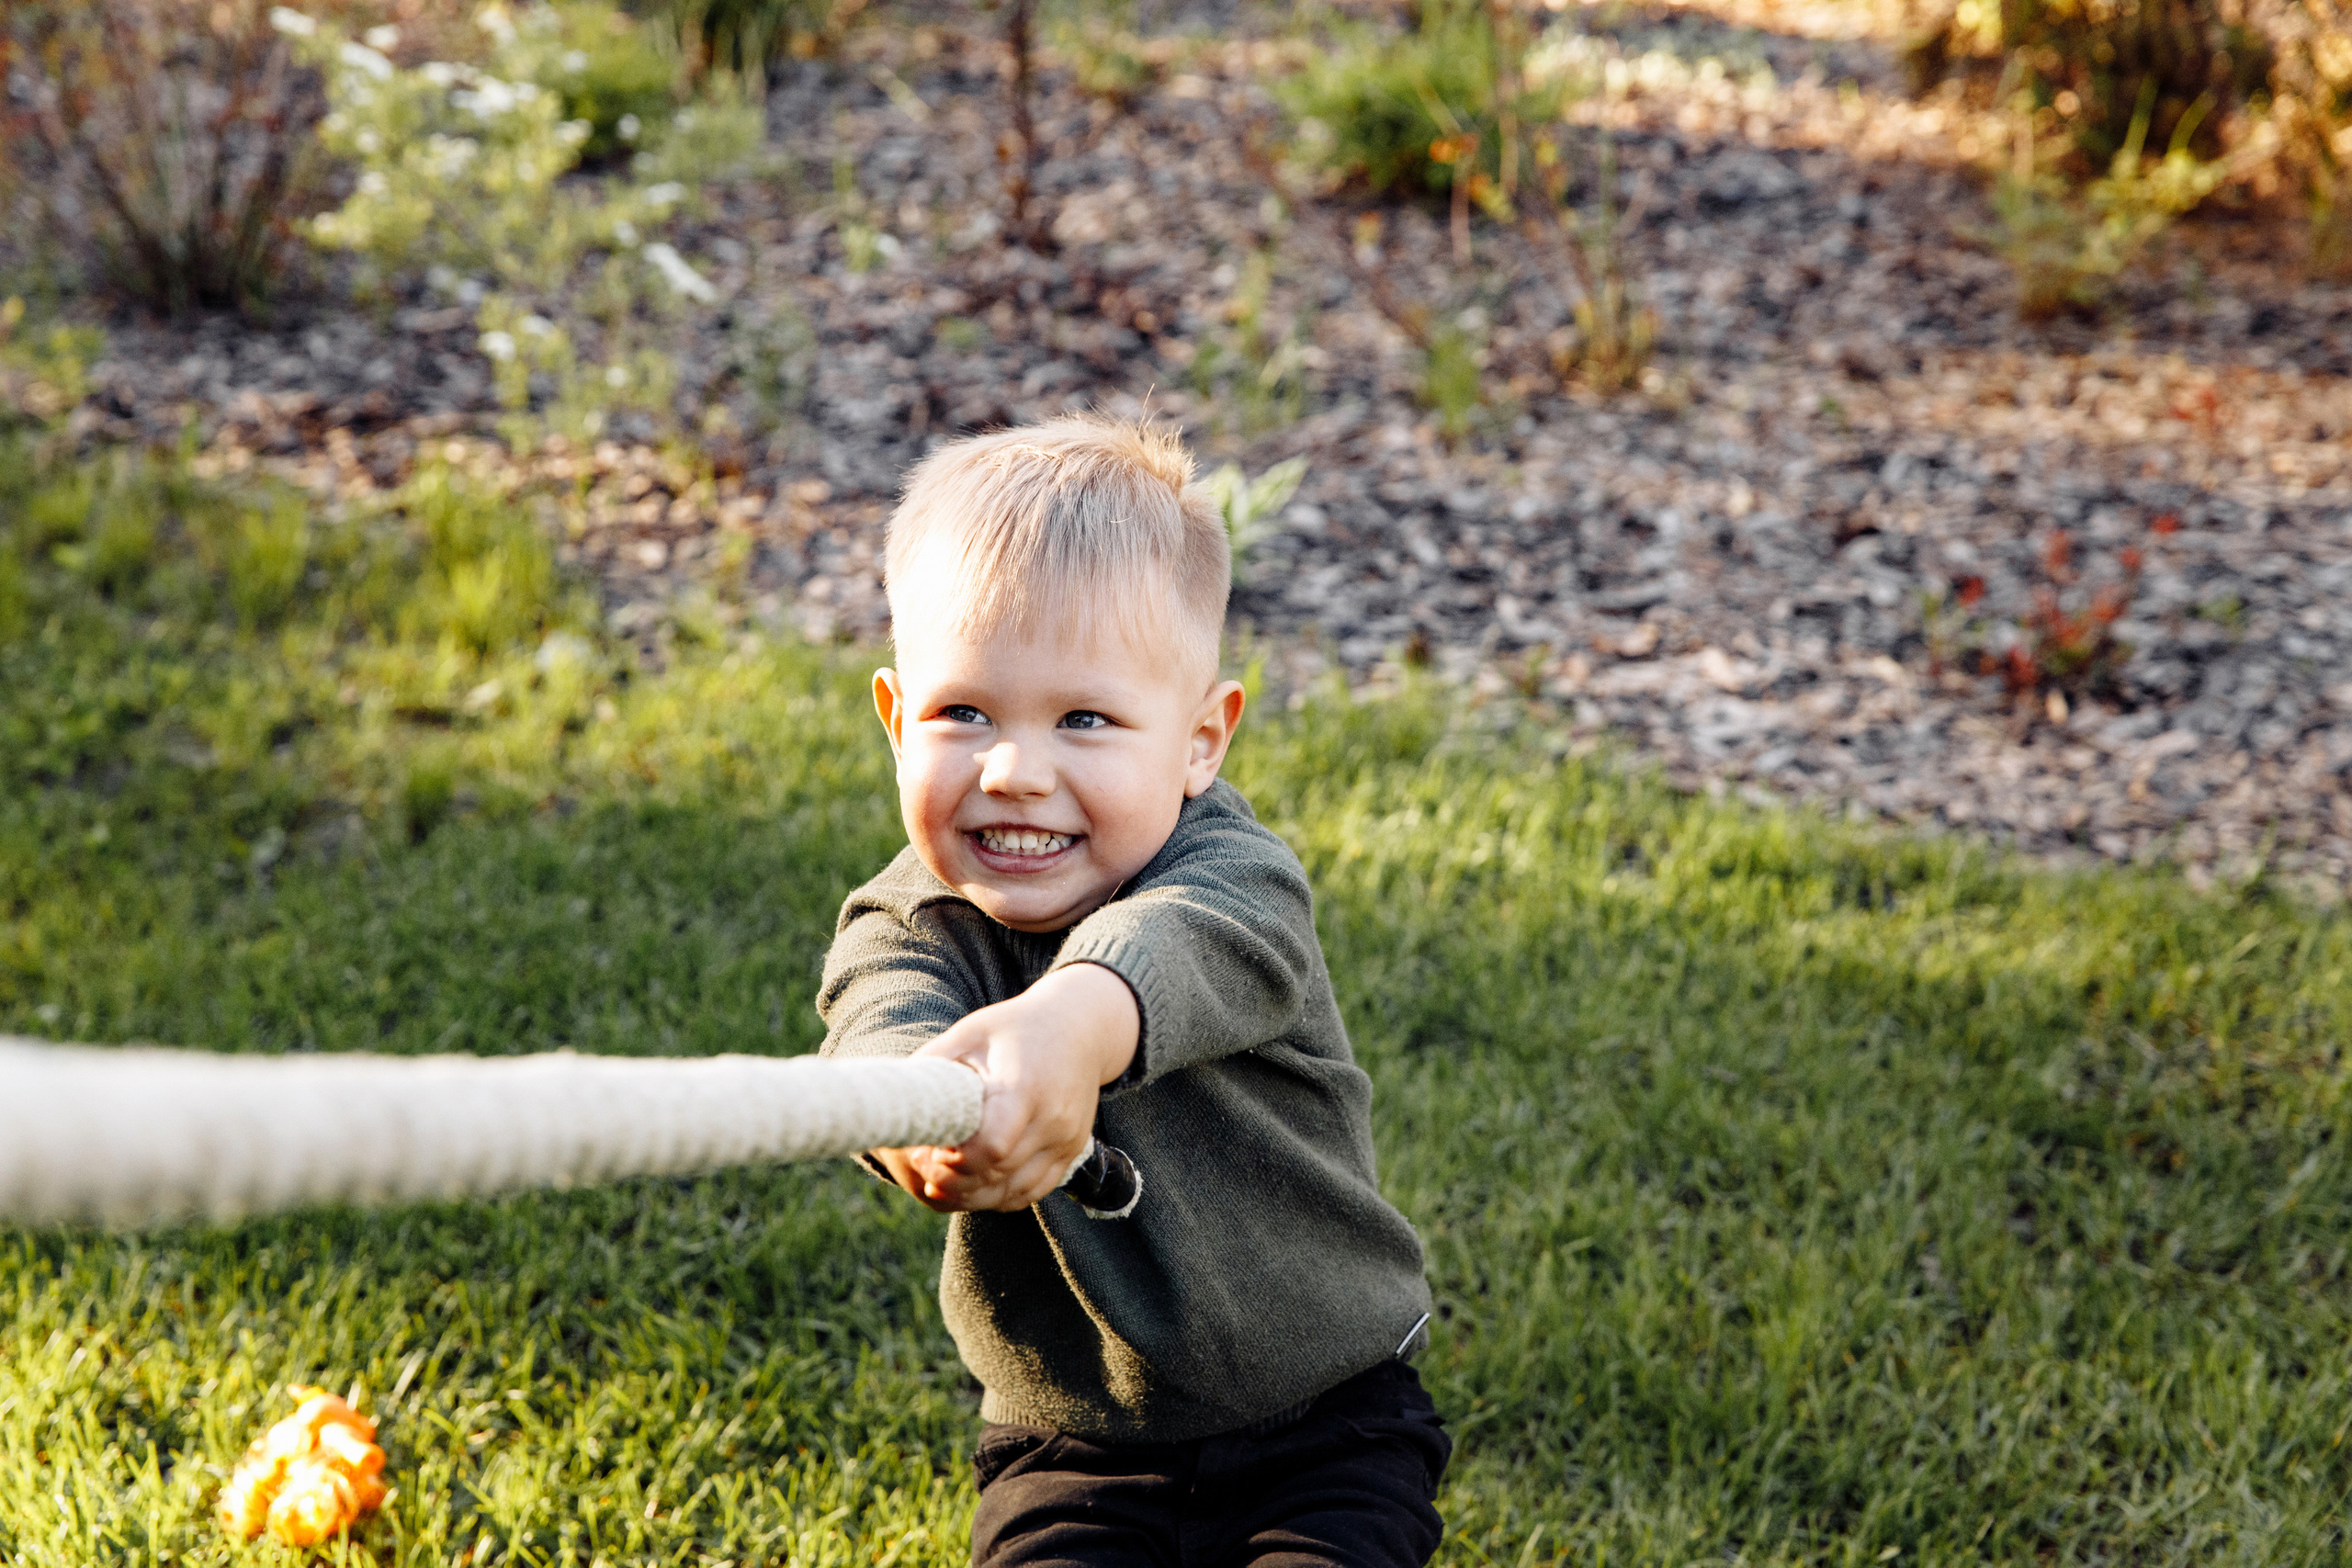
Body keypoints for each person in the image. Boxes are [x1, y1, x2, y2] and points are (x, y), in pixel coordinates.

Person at [817, 414, 1447, 1566]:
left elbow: (1191, 944)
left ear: (1201, 741)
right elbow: (876, 1033)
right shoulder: (907, 924)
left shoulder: (1230, 873)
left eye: (1086, 720)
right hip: (1071, 1435)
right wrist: (912, 1115)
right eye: (965, 713)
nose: (1015, 770)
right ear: (896, 720)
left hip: (1325, 1412)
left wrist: (1071, 1020)